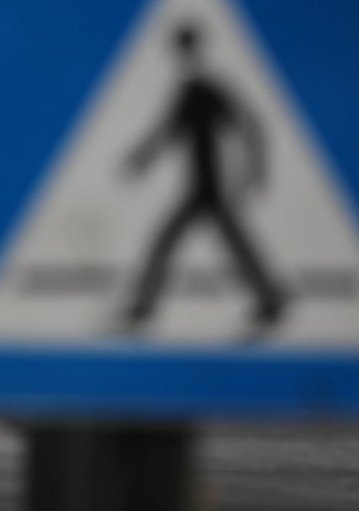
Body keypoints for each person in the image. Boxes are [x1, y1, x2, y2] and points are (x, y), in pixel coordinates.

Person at [122, 24, 285, 330]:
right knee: (227, 243)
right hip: (199, 187)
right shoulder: (186, 92)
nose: (184, 57)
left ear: (198, 50)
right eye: (180, 51)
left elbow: (252, 126)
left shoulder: (211, 90)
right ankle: (271, 299)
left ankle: (144, 306)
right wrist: (141, 159)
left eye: (188, 49)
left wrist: (256, 170)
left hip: (211, 187)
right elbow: (166, 132)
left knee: (169, 241)